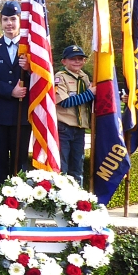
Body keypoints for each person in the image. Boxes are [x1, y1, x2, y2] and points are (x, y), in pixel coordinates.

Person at [0, 1, 30, 196]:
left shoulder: (30, 48)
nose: (9, 24)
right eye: (6, 19)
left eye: (13, 19)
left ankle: (19, 197)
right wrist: (10, 91)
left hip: (22, 114)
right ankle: (0, 198)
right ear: (1, 21)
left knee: (19, 159)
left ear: (20, 21)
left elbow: (42, 79)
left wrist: (29, 69)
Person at [54, 45, 93, 185]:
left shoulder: (84, 77)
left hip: (80, 128)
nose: (77, 62)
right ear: (64, 61)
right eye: (73, 59)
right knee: (62, 165)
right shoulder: (60, 77)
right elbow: (64, 102)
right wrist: (90, 94)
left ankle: (78, 199)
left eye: (80, 59)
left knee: (77, 166)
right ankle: (61, 198)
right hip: (64, 127)